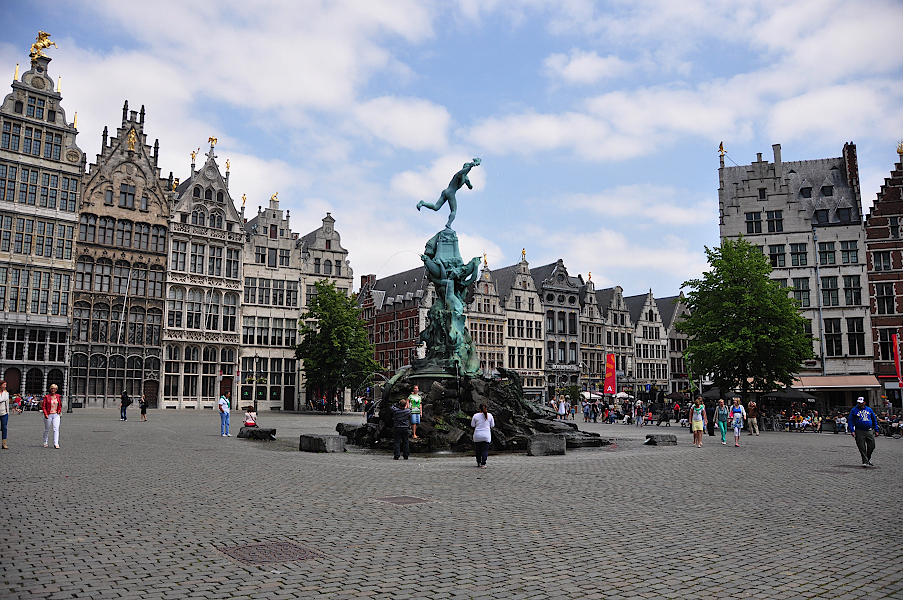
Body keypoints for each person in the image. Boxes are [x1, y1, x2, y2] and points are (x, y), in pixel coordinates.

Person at [416, 158, 481, 229]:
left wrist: (468, 182)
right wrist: (471, 166)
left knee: (436, 207)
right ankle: (448, 224)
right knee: (454, 210)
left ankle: (423, 203)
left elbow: (470, 187)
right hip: (451, 193)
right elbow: (463, 173)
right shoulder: (459, 174)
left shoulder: (465, 178)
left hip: (445, 191)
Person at [849, 397, 878, 467]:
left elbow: (874, 419)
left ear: (864, 403)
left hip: (869, 430)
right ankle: (865, 461)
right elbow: (850, 420)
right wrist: (852, 430)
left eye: (861, 403)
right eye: (859, 403)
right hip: (859, 431)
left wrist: (876, 429)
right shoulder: (854, 410)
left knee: (872, 445)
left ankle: (867, 458)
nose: (860, 404)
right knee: (862, 447)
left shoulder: (869, 409)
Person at [471, 403, 495, 468]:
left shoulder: (475, 416)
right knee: (485, 450)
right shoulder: (489, 415)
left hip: (477, 435)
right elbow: (492, 425)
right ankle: (483, 464)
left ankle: (478, 462)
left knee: (478, 450)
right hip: (486, 436)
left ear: (479, 408)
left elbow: (473, 425)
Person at [41, 384, 63, 449]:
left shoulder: (58, 396)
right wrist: (46, 414)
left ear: (56, 390)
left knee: (56, 429)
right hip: (49, 414)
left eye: (54, 389)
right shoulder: (46, 397)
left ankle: (56, 443)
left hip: (56, 414)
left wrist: (59, 411)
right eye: (52, 388)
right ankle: (45, 441)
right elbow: (44, 406)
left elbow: (59, 405)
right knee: (47, 429)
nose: (53, 390)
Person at [0, 380, 9, 449]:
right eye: (4, 385)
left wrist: (7, 412)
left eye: (5, 385)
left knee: (4, 428)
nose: (5, 386)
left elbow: (7, 403)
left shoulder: (6, 393)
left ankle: (4, 443)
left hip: (4, 412)